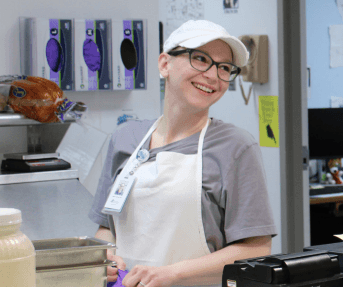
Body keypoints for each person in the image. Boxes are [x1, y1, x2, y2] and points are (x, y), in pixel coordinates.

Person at [89, 20, 277, 287]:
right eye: (200, 59)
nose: (213, 76)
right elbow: (107, 225)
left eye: (224, 68)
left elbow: (256, 249)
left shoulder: (235, 147)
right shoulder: (126, 138)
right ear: (165, 64)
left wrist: (172, 273)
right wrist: (105, 254)